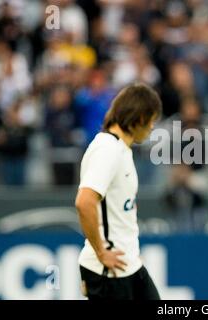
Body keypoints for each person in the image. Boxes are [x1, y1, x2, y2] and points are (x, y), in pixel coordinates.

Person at [75, 83, 162, 300]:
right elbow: (84, 202)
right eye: (151, 119)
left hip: (129, 264)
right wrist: (101, 253)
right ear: (139, 117)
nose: (152, 127)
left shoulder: (121, 149)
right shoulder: (107, 149)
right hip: (109, 271)